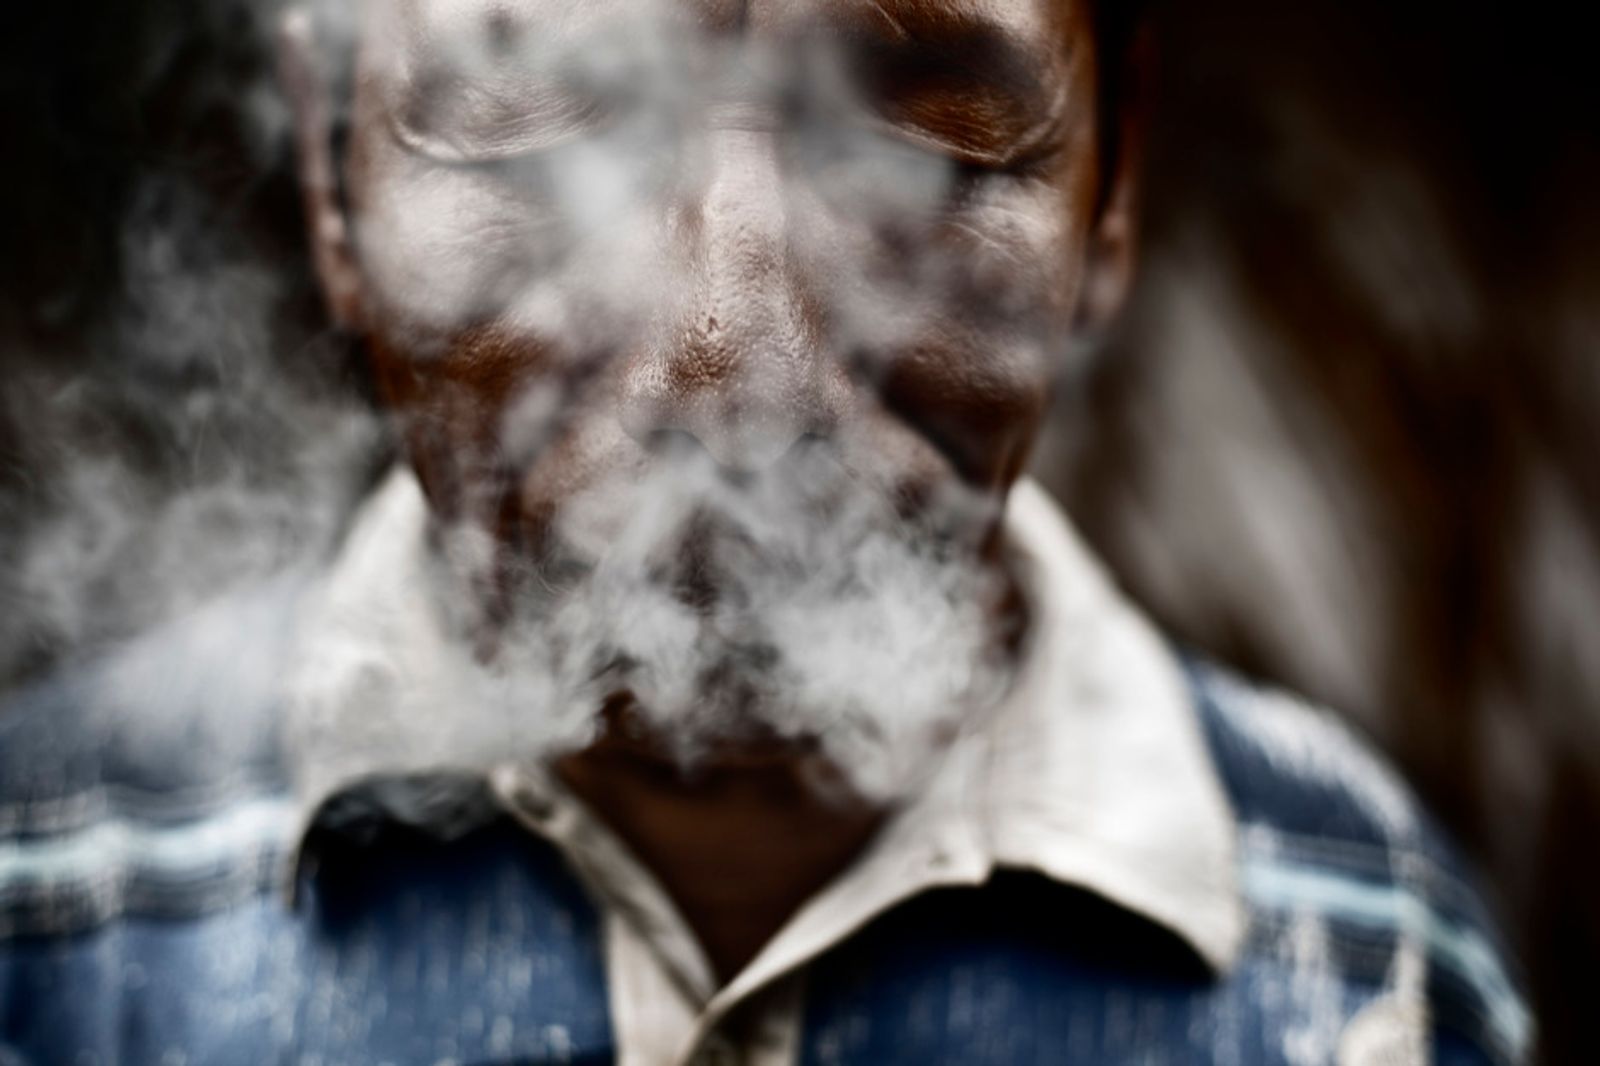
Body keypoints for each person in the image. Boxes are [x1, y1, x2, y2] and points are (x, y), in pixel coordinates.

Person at [0, 1, 1530, 1063]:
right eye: (534, 132)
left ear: (1111, 181)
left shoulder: (1366, 949)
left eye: (932, 143)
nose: (736, 354)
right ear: (338, 173)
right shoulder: (45, 898)